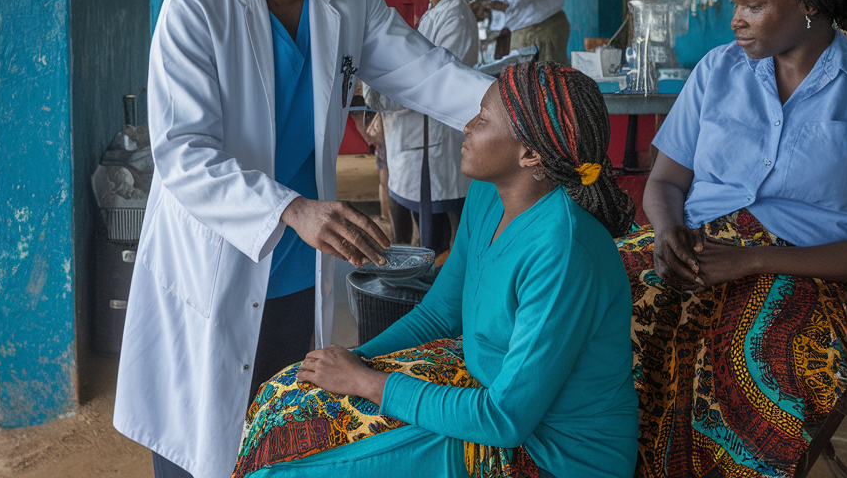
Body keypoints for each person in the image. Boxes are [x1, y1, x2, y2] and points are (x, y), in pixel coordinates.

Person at [113, 0, 495, 478]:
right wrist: (289, 208)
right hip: (218, 260)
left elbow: (425, 72)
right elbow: (183, 153)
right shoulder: (196, 8)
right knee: (201, 444)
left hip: (295, 273)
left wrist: (506, 108)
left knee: (279, 435)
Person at [618, 0, 847, 478]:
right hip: (697, 250)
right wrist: (668, 232)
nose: (735, 20)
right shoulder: (718, 70)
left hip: (809, 279)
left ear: (809, 2)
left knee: (745, 357)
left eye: (752, 5)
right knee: (592, 297)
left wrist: (754, 259)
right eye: (734, 3)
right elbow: (666, 184)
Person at [235, 61, 639, 478]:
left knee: (284, 473)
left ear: (530, 154)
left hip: (554, 454)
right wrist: (356, 358)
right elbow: (439, 313)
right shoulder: (489, 195)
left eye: (483, 120)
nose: (466, 126)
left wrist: (366, 382)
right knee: (281, 399)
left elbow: (506, 420)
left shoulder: (563, 249)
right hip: (490, 408)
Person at [364, 0, 480, 252]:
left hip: (434, 144)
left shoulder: (455, 18)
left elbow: (430, 83)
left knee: (434, 235)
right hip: (416, 140)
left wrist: (375, 88)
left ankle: (432, 295)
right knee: (420, 225)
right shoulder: (436, 10)